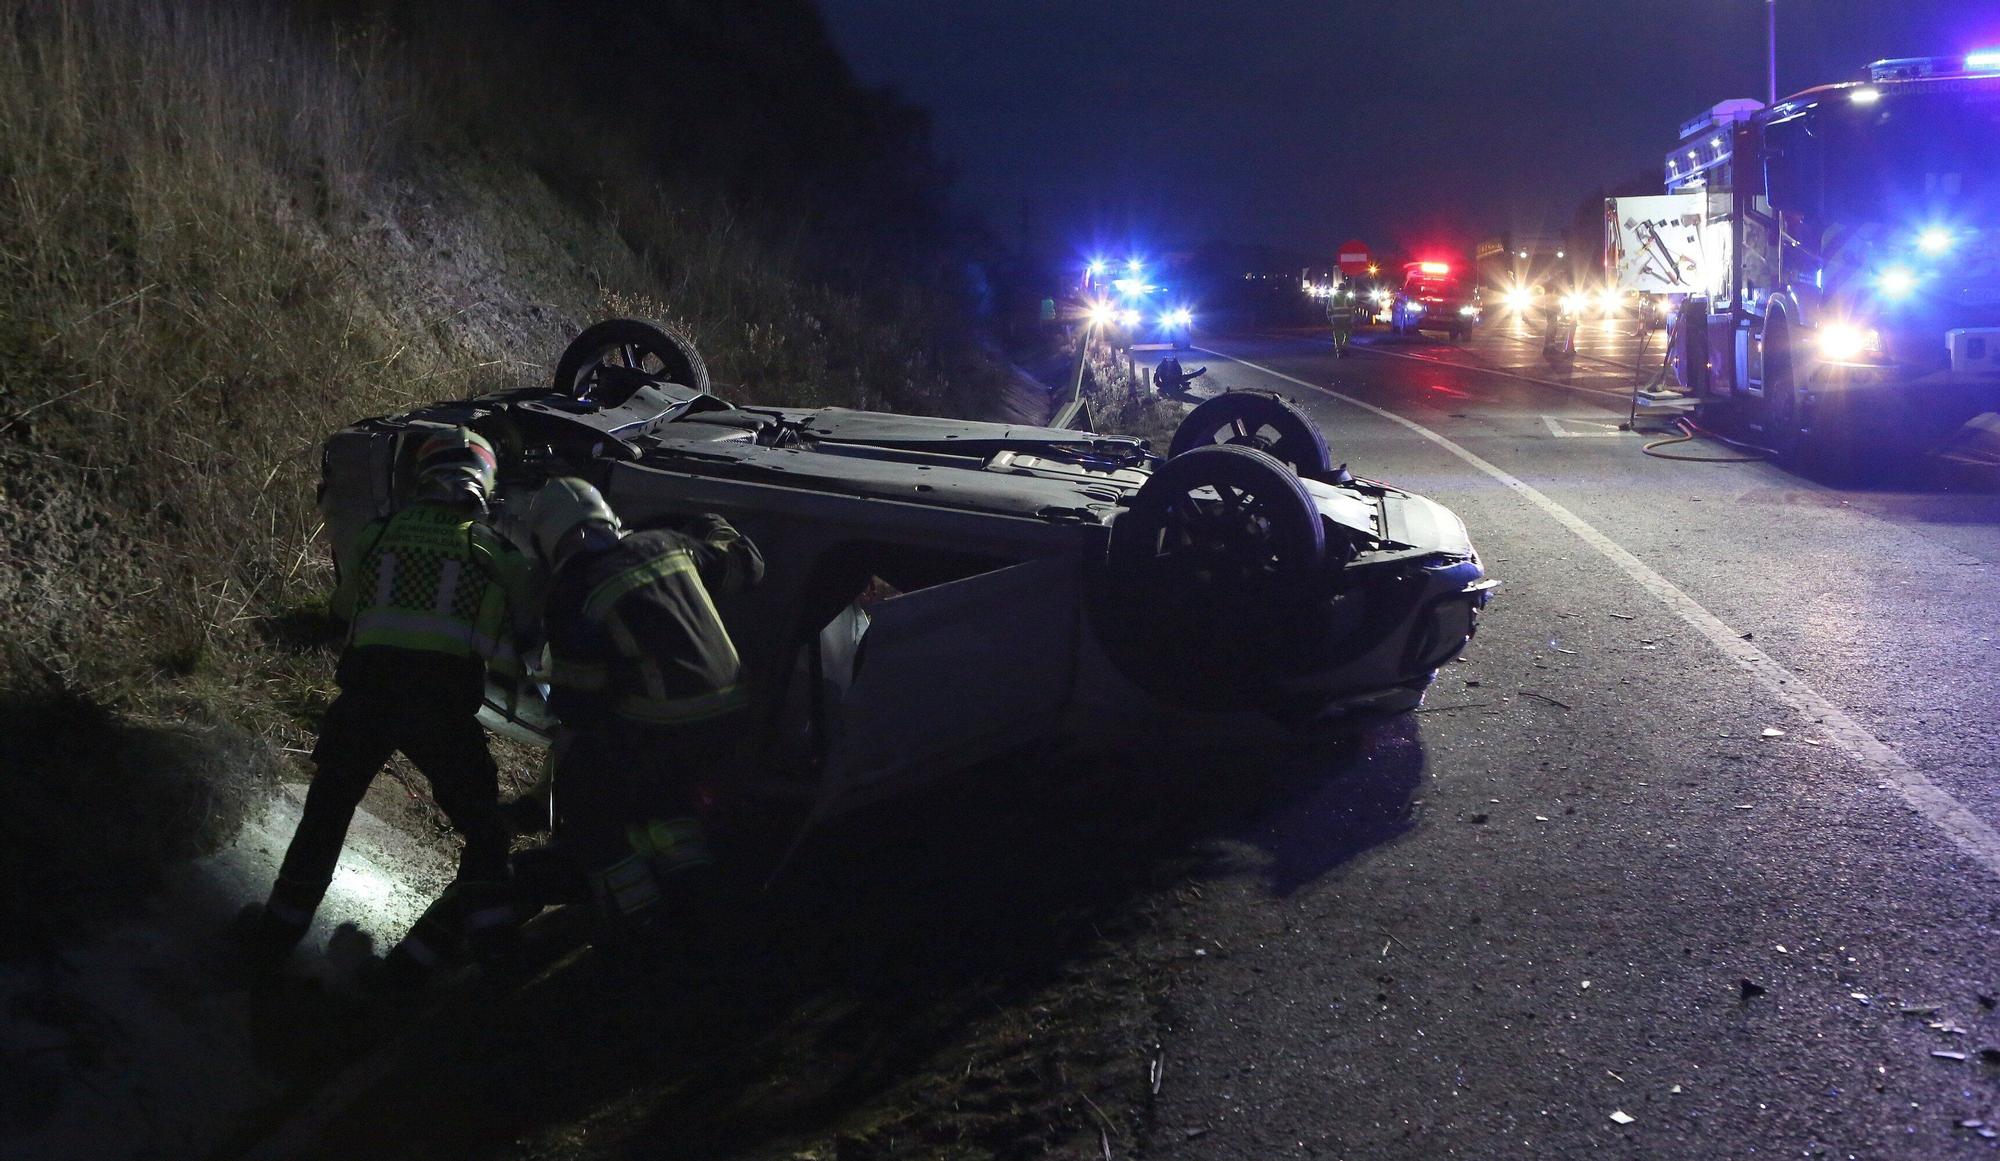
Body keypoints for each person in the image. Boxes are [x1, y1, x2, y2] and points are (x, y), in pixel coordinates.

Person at [240, 427, 531, 986]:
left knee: (325, 817)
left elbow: (345, 606)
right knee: (486, 831)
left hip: (366, 699)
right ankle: (474, 954)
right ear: (483, 484)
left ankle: (274, 936)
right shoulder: (489, 548)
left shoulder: (377, 536)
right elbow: (512, 632)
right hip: (440, 709)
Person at [513, 477, 764, 947]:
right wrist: (710, 522)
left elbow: (578, 703)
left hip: (668, 723)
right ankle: (699, 897)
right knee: (666, 805)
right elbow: (747, 566)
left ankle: (639, 917)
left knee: (588, 798)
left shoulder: (572, 589)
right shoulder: (668, 545)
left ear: (548, 537)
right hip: (734, 713)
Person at [1327, 285, 1361, 357]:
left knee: (1337, 336)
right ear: (1345, 288)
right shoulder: (1347, 296)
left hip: (1336, 320)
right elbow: (1352, 306)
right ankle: (1344, 347)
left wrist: (1330, 318)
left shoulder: (1332, 296)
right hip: (1346, 319)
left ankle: (1339, 352)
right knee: (1348, 334)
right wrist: (1353, 320)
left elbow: (1329, 309)